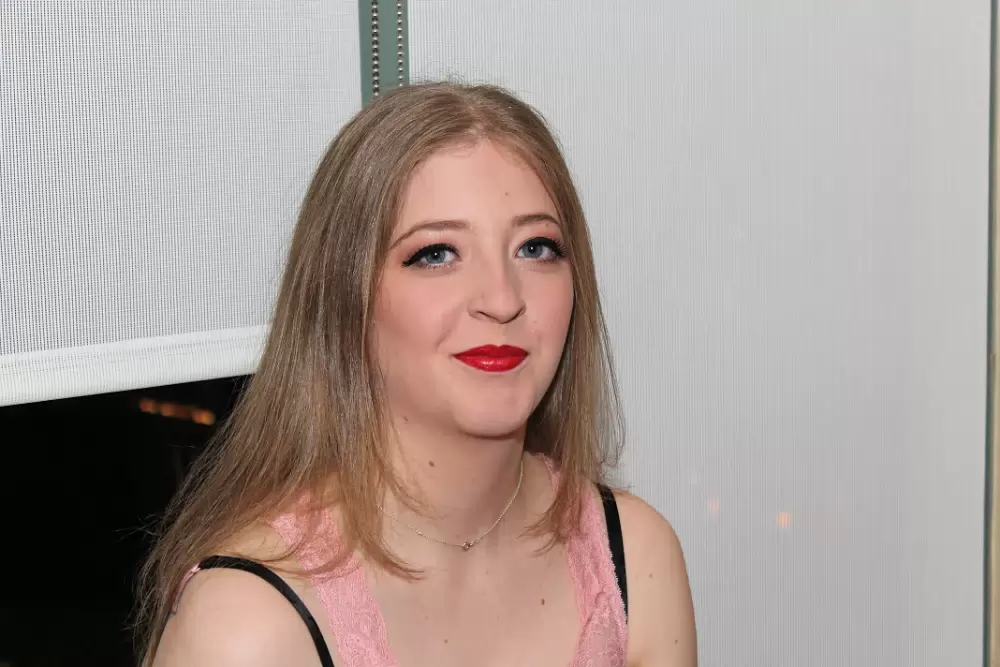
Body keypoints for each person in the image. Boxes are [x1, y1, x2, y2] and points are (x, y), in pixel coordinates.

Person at [137, 82, 697, 667]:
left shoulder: (635, 559)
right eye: (436, 254)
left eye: (535, 248)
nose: (502, 299)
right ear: (346, 299)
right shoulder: (245, 626)